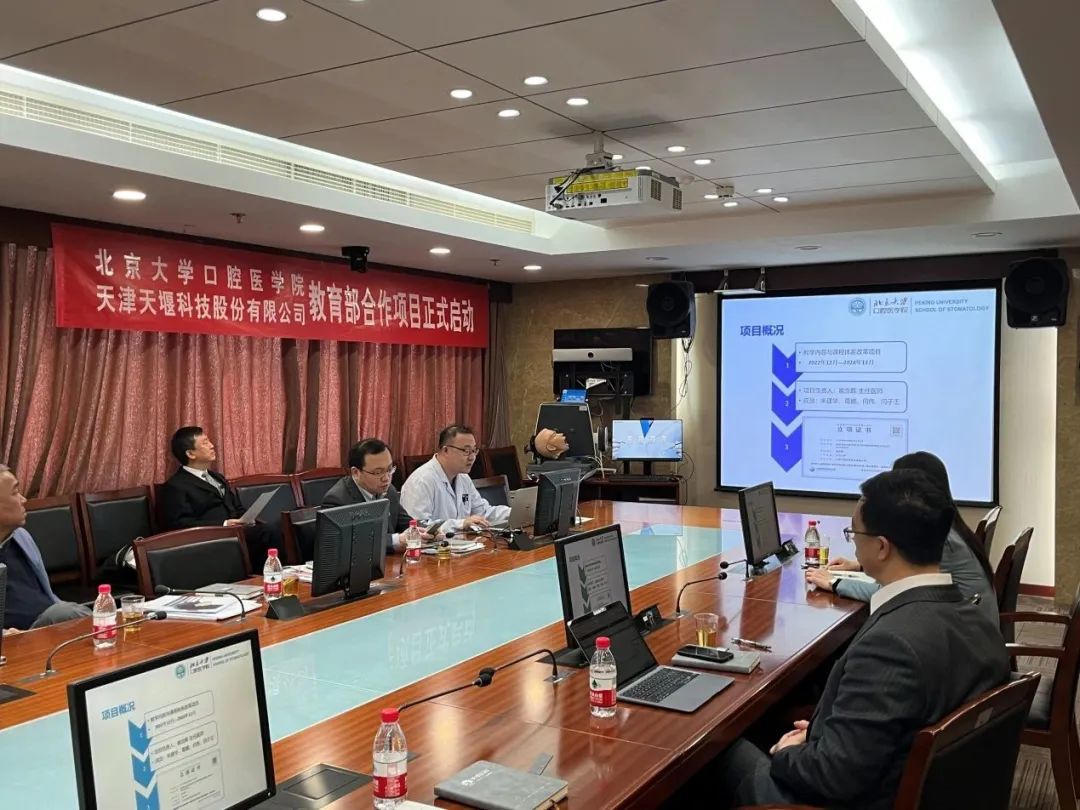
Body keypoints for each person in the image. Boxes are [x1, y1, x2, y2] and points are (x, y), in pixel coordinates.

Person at [718, 468, 1009, 809]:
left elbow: (833, 777)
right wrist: (822, 733)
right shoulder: (976, 619)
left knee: (717, 749)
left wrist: (787, 752)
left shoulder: (891, 646)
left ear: (882, 547)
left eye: (854, 531)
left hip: (854, 798)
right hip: (912, 779)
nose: (853, 541)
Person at [807, 451, 998, 627]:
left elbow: (897, 592)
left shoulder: (941, 539)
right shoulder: (946, 526)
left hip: (959, 630)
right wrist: (860, 566)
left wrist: (835, 583)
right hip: (965, 628)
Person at [158, 426, 281, 565]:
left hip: (238, 532)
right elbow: (179, 524)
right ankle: (273, 573)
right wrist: (224, 524)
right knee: (268, 532)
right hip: (213, 539)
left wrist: (247, 518)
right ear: (191, 454)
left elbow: (236, 506)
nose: (212, 446)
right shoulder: (176, 486)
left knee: (279, 525)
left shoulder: (217, 477)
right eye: (205, 443)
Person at [0, 464, 91, 631]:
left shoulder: (22, 537)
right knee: (64, 614)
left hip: (46, 624)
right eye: (15, 492)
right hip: (16, 637)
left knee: (67, 613)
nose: (23, 499)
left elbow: (48, 595)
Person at [322, 438, 432, 553]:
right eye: (378, 472)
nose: (386, 478)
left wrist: (428, 531)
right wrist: (397, 540)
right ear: (356, 472)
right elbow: (353, 542)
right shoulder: (337, 500)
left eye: (389, 469)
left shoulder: (389, 490)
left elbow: (405, 523)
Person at [400, 425, 511, 532]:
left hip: (462, 542)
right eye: (466, 451)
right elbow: (416, 526)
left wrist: (514, 512)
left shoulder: (463, 478)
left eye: (474, 451)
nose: (472, 457)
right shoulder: (421, 481)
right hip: (434, 544)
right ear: (446, 450)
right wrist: (460, 524)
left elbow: (482, 513)